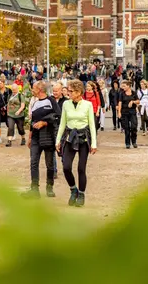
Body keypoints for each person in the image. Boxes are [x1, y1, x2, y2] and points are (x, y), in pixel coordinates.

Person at [56, 80, 97, 208]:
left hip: (83, 139)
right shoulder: (66, 105)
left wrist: (94, 143)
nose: (68, 93)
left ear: (79, 92)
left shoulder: (88, 105)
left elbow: (92, 125)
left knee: (81, 168)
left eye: (71, 91)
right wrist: (58, 141)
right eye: (68, 91)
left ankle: (81, 194)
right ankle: (73, 189)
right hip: (70, 137)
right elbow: (62, 123)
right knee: (66, 167)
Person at [23, 81, 59, 198]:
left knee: (49, 163)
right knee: (33, 162)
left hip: (48, 136)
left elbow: (58, 116)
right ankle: (34, 189)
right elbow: (33, 121)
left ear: (40, 89)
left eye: (33, 88)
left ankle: (49, 187)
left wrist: (44, 122)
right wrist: (29, 137)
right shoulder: (34, 103)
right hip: (35, 137)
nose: (32, 90)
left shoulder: (51, 100)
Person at [118, 81, 140, 149]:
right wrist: (119, 112)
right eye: (122, 86)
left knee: (134, 127)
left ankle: (134, 141)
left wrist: (133, 101)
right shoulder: (122, 94)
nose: (123, 87)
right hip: (124, 112)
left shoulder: (134, 93)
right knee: (126, 128)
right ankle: (127, 143)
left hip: (132, 112)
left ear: (128, 86)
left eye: (124, 86)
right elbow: (120, 103)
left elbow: (138, 101)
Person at [0, 78, 12, 144]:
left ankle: (11, 134)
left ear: (4, 83)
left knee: (8, 123)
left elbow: (11, 99)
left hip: (7, 109)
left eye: (0, 83)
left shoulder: (9, 91)